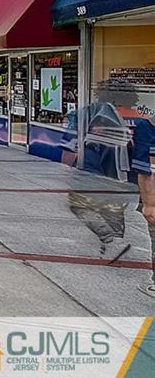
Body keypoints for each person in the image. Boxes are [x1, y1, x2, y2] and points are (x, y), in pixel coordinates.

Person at [66, 79, 155, 295]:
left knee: (79, 205)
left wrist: (70, 171)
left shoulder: (95, 116)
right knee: (115, 207)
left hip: (100, 172)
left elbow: (73, 147)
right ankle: (114, 241)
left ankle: (111, 241)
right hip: (128, 176)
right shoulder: (140, 118)